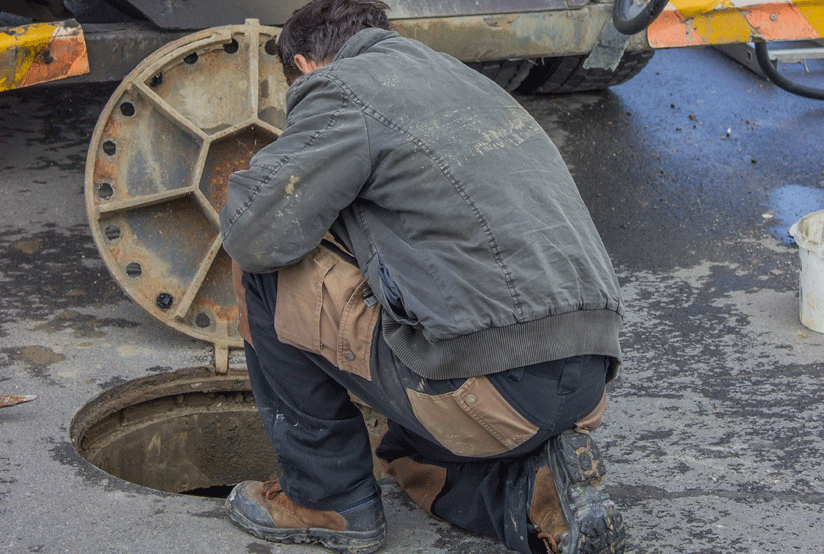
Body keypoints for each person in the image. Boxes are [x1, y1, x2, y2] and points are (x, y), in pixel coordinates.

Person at [219, 1, 626, 553]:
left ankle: (326, 502)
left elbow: (256, 233)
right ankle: (539, 500)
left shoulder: (341, 87)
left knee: (263, 272)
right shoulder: (463, 80)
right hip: (585, 382)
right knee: (405, 459)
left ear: (304, 64)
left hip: (485, 391)